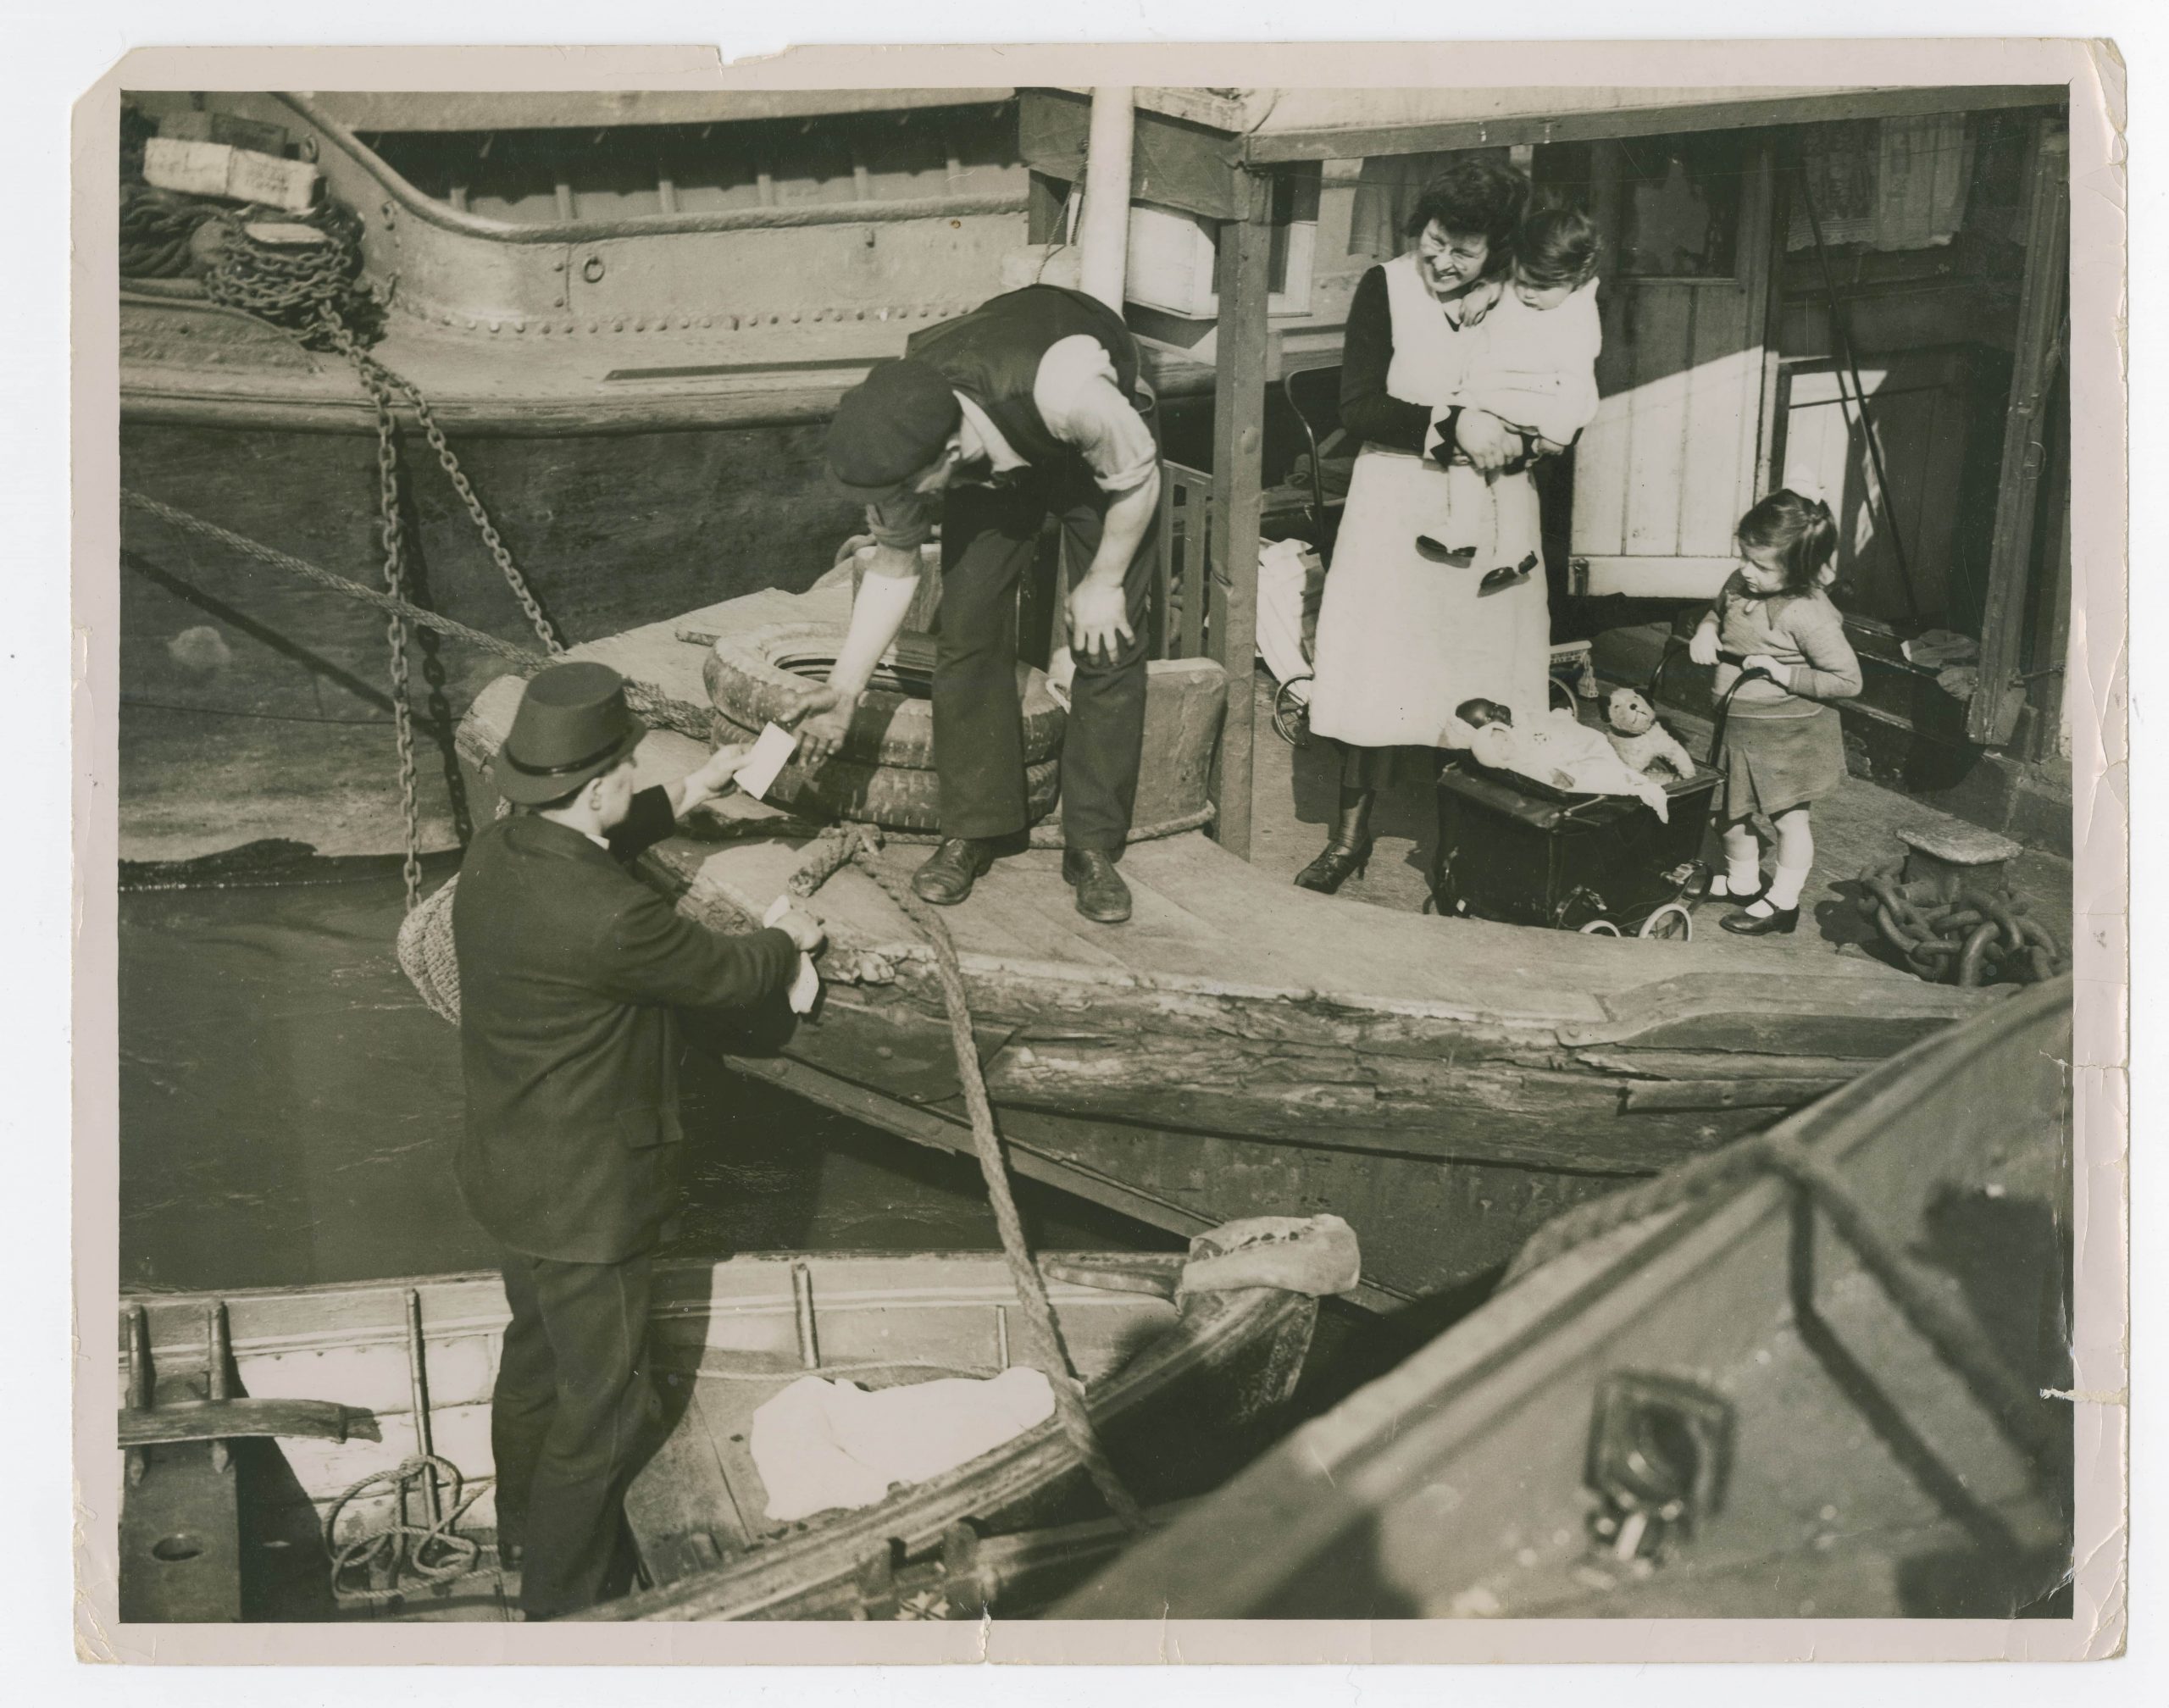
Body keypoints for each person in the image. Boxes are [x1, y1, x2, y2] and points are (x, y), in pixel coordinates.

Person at [452, 660, 826, 1620]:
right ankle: (565, 1614)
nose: (633, 776)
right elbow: (725, 975)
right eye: (631, 767)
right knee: (607, 1413)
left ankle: (523, 1538)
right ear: (601, 781)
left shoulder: (497, 854)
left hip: (513, 1177)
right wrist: (791, 937)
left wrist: (682, 796)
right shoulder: (618, 922)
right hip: (592, 1202)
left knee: (535, 1363)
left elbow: (586, 850)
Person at [793, 284, 1162, 926]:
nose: (903, 502)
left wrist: (1101, 582)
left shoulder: (1073, 391)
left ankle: (1093, 847)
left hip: (1097, 454)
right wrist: (845, 688)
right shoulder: (903, 429)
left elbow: (1138, 478)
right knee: (966, 630)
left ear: (947, 456)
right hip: (995, 442)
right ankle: (976, 828)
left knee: (1108, 636)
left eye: (911, 491)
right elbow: (896, 561)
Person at [1298, 160, 1602, 894]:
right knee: (1378, 672)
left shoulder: (1526, 295)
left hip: (1497, 510)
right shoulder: (1389, 288)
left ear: (1499, 248)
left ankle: (1465, 845)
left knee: (1481, 673)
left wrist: (1525, 439)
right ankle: (1350, 840)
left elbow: (1564, 391)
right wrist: (1454, 426)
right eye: (1435, 240)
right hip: (1398, 503)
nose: (1443, 260)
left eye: (1465, 250)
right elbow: (1359, 407)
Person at [1687, 489, 1863, 935]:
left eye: (1761, 566)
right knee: (1728, 814)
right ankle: (1744, 885)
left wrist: (1784, 674)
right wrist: (1706, 631)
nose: (1746, 571)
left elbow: (1848, 682)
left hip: (1787, 730)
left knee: (1788, 819)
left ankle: (1783, 903)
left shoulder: (1809, 614)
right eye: (1744, 557)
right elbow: (1717, 611)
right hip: (1738, 723)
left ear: (1800, 568)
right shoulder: (1740, 582)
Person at [1417, 202, 1604, 591]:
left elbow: (1577, 382)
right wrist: (1485, 291)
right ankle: (1477, 536)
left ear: (1578, 278)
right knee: (1484, 462)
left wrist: (1557, 431)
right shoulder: (1519, 287)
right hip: (1493, 396)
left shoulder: (1577, 318)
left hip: (1534, 403)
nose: (1528, 294)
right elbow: (1503, 285)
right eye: (1523, 281)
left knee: (1498, 465)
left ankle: (1496, 540)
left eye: (1542, 287)